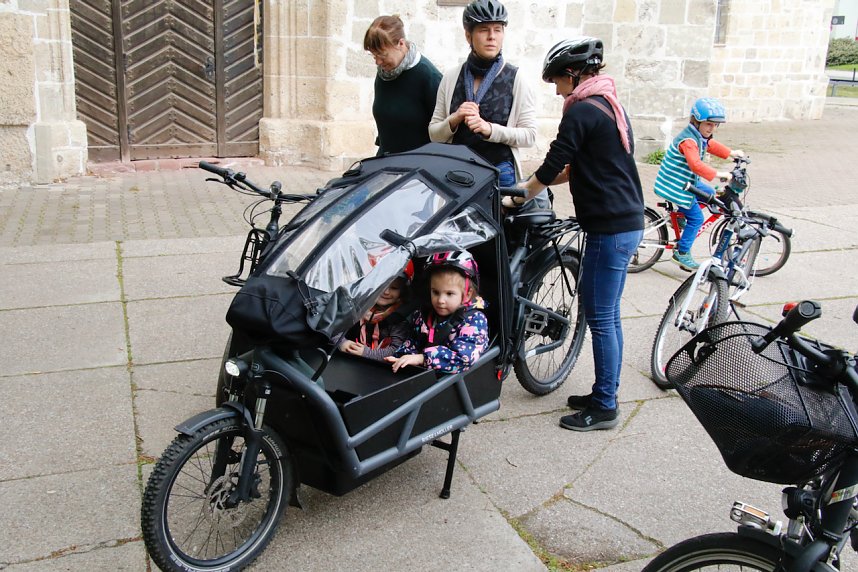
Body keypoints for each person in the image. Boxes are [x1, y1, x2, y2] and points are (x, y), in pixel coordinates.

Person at [512, 37, 644, 431]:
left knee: (602, 318)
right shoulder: (608, 105)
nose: (555, 88)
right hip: (624, 224)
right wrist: (528, 186)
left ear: (573, 73)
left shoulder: (583, 110)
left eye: (555, 80)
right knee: (608, 315)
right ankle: (605, 392)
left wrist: (520, 196)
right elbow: (584, 166)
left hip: (610, 228)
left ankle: (605, 406)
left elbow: (555, 164)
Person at [428, 0, 536, 190]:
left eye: (498, 29)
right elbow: (434, 134)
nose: (492, 37)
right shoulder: (452, 77)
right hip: (456, 173)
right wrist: (454, 119)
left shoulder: (516, 78)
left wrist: (490, 130)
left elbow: (529, 136)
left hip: (499, 172)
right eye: (484, 30)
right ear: (468, 35)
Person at [653, 97, 745, 271]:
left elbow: (711, 145)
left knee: (709, 193)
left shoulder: (698, 136)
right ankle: (682, 252)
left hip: (685, 182)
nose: (712, 128)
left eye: (715, 125)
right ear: (696, 121)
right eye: (708, 124)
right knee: (697, 219)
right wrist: (719, 174)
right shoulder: (689, 142)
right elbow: (695, 165)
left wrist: (732, 154)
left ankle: (680, 217)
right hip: (676, 185)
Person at [386, 251, 488, 374]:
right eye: (435, 292)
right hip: (423, 375)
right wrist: (401, 357)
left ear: (467, 294)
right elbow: (413, 341)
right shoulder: (425, 315)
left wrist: (422, 358)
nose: (440, 300)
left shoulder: (474, 320)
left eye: (449, 294)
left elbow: (463, 358)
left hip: (453, 381)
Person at [364, 15, 442, 156]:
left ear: (401, 43)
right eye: (374, 56)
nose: (378, 62)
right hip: (386, 159)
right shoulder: (384, 73)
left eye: (382, 55)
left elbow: (442, 131)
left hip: (417, 164)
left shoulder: (428, 76)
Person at [338, 262, 413, 361]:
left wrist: (366, 353)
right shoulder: (357, 305)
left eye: (394, 288)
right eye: (383, 285)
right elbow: (334, 327)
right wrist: (342, 343)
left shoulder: (399, 320)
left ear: (402, 292)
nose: (386, 292)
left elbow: (397, 350)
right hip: (346, 360)